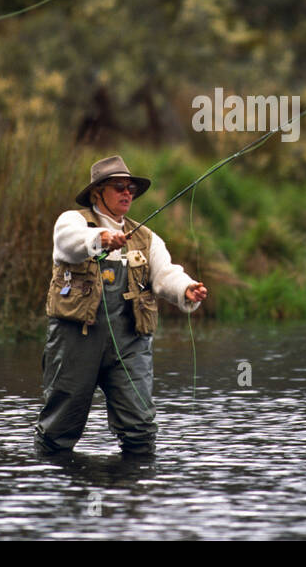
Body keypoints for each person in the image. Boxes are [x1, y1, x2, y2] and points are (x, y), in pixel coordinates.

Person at [36, 155, 208, 457]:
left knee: (140, 428)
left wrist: (186, 288)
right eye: (119, 187)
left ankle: (133, 493)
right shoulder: (73, 221)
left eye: (130, 188)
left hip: (129, 343)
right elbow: (69, 242)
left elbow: (165, 273)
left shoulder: (146, 237)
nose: (127, 193)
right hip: (76, 339)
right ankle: (55, 492)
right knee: (58, 429)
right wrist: (102, 238)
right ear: (96, 193)